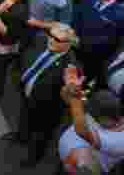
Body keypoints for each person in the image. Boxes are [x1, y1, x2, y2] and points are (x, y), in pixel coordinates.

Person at [13, 22, 79, 167]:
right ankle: (20, 137)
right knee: (24, 118)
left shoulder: (71, 67)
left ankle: (33, 160)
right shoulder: (42, 41)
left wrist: (70, 89)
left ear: (68, 44)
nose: (51, 40)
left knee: (40, 137)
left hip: (47, 109)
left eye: (57, 39)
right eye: (51, 35)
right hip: (28, 95)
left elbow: (67, 96)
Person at [58, 78, 124, 175]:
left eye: (94, 116)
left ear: (106, 118)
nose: (90, 116)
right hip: (67, 159)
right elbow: (69, 99)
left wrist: (75, 100)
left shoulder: (118, 142)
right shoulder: (103, 112)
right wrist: (69, 90)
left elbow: (82, 132)